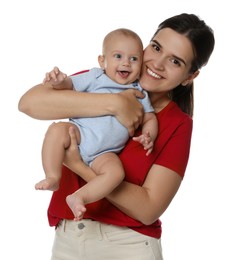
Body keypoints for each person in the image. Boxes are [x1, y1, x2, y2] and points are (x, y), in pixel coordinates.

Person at [18, 13, 215, 260]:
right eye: (155, 48)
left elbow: (148, 209)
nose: (157, 63)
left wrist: (78, 165)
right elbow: (29, 104)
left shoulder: (177, 124)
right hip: (68, 239)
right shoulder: (100, 80)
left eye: (175, 61)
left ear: (189, 76)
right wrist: (114, 103)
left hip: (128, 245)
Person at [35, 28, 158, 221]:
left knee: (116, 174)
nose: (126, 62)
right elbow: (70, 86)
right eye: (118, 56)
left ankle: (79, 197)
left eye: (134, 59)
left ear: (141, 65)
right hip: (79, 134)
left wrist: (148, 135)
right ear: (102, 61)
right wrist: (59, 82)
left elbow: (150, 118)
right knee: (56, 130)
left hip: (106, 153)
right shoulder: (95, 77)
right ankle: (52, 176)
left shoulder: (138, 90)